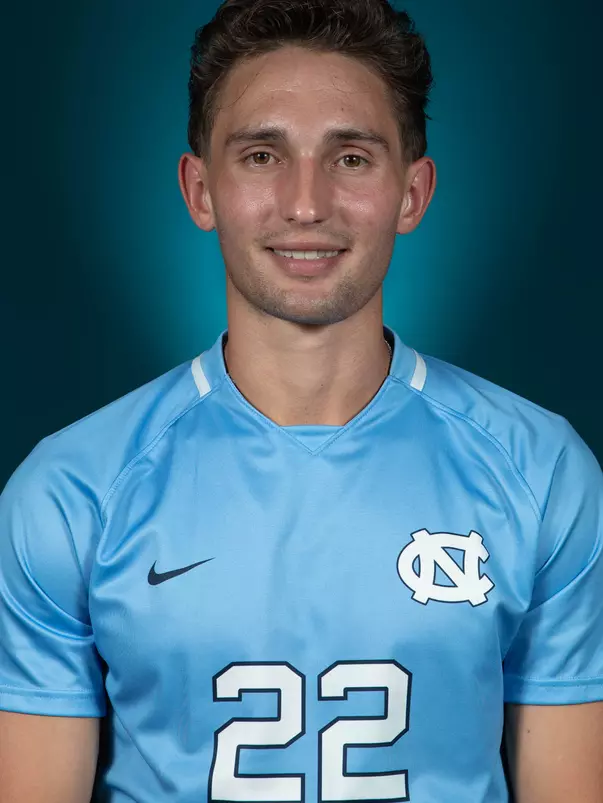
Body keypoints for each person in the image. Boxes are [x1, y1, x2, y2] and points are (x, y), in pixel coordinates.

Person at [1, 0, 602, 800]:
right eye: (260, 155)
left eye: (350, 158)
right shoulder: (71, 489)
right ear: (200, 188)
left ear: (412, 192)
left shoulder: (542, 472)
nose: (305, 203)